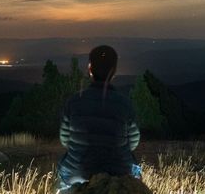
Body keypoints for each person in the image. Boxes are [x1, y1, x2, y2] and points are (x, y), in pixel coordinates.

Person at [56, 45, 141, 193]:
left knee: (62, 176)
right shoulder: (125, 104)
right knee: (135, 171)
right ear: (114, 71)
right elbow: (133, 142)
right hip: (119, 171)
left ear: (90, 69)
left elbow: (65, 140)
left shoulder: (73, 102)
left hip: (76, 172)